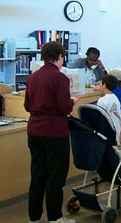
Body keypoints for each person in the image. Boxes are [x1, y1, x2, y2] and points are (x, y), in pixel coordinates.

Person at [24, 41, 79, 223]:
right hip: (55, 132)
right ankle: (55, 217)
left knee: (37, 175)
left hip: (34, 131)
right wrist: (72, 101)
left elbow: (27, 105)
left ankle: (34, 218)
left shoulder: (32, 78)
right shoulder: (60, 78)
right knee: (56, 177)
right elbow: (64, 108)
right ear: (60, 57)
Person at [96, 74, 121, 143]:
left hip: (110, 133)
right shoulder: (115, 98)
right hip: (118, 132)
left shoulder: (102, 100)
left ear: (104, 85)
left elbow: (100, 118)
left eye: (100, 83)